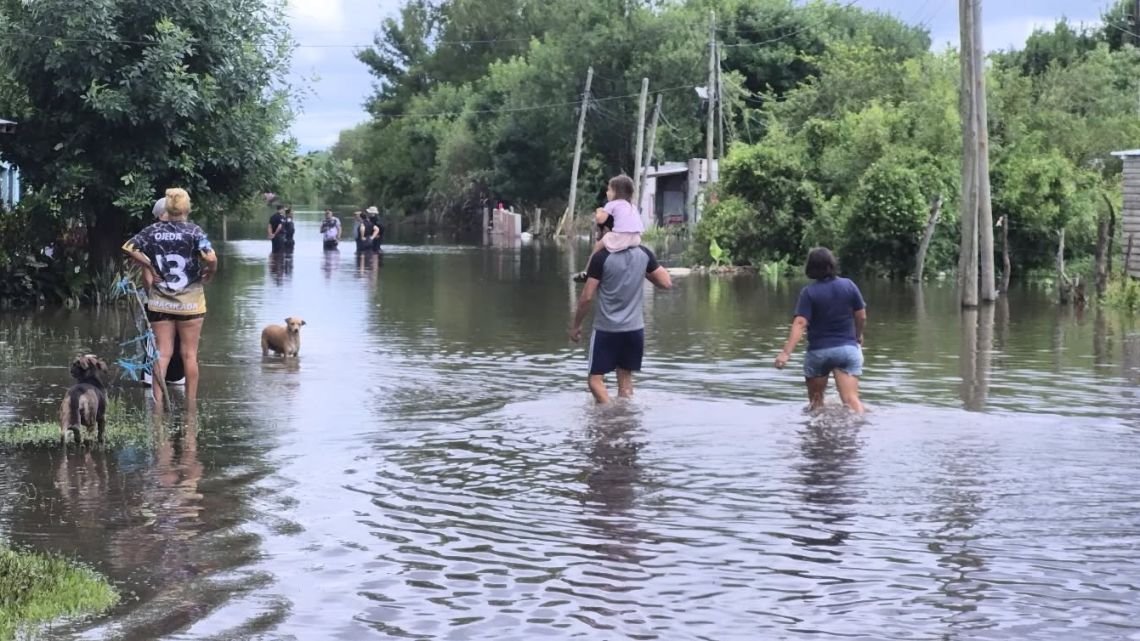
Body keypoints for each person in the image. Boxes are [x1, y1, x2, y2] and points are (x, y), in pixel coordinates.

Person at [122, 188, 217, 406]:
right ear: (187, 208)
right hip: (190, 303)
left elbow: (128, 247)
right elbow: (211, 258)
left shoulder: (152, 230)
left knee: (162, 354)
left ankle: (157, 404)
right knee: (189, 355)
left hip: (160, 301)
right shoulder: (194, 232)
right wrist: (210, 272)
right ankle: (191, 406)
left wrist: (148, 264)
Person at [569, 216, 673, 404]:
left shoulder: (601, 258)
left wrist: (576, 326)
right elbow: (666, 283)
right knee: (625, 382)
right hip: (635, 330)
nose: (597, 236)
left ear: (607, 231)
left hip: (607, 329)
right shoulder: (643, 254)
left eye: (599, 231)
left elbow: (586, 298)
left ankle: (610, 413)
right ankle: (625, 417)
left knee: (594, 381)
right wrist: (643, 271)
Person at [774, 247, 867, 414]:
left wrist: (786, 353)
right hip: (847, 350)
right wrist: (858, 336)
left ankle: (817, 428)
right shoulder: (849, 285)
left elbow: (800, 322)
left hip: (819, 353)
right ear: (832, 264)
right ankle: (860, 427)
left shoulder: (809, 292)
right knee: (851, 399)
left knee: (816, 404)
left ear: (810, 267)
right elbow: (861, 316)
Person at [141, 197, 185, 388]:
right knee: (175, 341)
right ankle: (171, 377)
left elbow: (147, 277)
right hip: (179, 301)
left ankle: (159, 377)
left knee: (161, 341)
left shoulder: (151, 237)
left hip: (164, 301)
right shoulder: (188, 235)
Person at [572, 175, 643, 282]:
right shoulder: (632, 206)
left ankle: (587, 272)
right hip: (636, 239)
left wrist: (599, 212)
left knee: (598, 245)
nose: (606, 193)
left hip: (620, 237)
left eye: (609, 190)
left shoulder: (612, 204)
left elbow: (600, 220)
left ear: (616, 192)